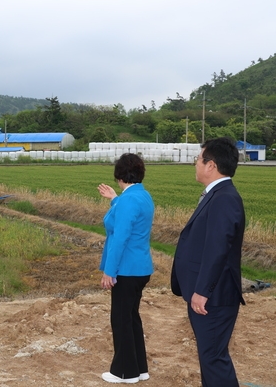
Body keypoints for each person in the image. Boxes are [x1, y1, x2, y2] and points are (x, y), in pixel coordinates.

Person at [171, 137, 245, 387]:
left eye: (198, 159)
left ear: (210, 165)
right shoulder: (217, 195)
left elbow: (217, 250)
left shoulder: (224, 198)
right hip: (210, 294)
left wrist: (202, 291)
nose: (195, 164)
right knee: (210, 355)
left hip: (214, 296)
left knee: (213, 357)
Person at [97, 153, 154, 384]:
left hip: (126, 269)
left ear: (119, 175)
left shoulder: (128, 200)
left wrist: (109, 271)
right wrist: (113, 198)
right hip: (140, 267)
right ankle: (139, 369)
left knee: (121, 319)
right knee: (131, 318)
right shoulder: (141, 195)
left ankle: (124, 372)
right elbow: (125, 212)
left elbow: (120, 237)